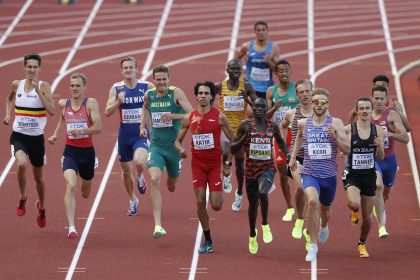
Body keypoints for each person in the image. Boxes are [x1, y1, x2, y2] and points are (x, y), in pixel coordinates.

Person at [175, 81, 235, 254]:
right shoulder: (189, 118)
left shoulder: (220, 116)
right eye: (200, 93)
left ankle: (220, 184)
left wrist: (228, 164)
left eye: (206, 93)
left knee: (216, 205)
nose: (203, 96)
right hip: (198, 165)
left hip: (215, 164)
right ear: (196, 96)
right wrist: (181, 150)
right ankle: (208, 240)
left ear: (211, 96)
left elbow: (234, 141)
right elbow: (177, 141)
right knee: (200, 200)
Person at [289, 88, 347, 262]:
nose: (319, 105)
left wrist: (335, 136)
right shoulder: (303, 123)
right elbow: (298, 138)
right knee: (312, 202)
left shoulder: (336, 123)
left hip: (328, 176)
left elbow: (347, 149)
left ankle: (324, 225)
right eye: (316, 102)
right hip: (309, 173)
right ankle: (313, 245)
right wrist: (292, 158)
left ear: (327, 104)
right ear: (312, 103)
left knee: (326, 210)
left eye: (322, 102)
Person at [140, 65, 193, 238]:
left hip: (174, 147)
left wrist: (173, 116)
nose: (161, 82)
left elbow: (192, 114)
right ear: (153, 81)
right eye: (158, 79)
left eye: (164, 79)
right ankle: (158, 226)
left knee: (171, 185)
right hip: (156, 146)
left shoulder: (176, 93)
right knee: (155, 179)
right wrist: (142, 126)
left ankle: (172, 176)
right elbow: (145, 108)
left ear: (168, 79)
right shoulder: (149, 95)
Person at [3, 53, 55, 228]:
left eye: (35, 67)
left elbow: (52, 111)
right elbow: (9, 98)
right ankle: (23, 197)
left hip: (36, 139)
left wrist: (39, 92)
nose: (32, 70)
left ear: (39, 69)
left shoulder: (44, 86)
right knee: (22, 164)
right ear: (24, 67)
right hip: (19, 135)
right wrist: (8, 114)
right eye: (29, 66)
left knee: (38, 177)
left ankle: (42, 207)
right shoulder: (16, 85)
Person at [231, 97, 288, 254]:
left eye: (262, 106)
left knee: (263, 192)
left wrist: (288, 154)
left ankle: (264, 223)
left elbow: (281, 142)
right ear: (252, 108)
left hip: (267, 168)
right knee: (252, 205)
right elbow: (233, 148)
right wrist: (244, 137)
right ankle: (252, 234)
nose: (259, 109)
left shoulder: (272, 126)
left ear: (266, 109)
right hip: (250, 171)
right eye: (256, 106)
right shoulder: (245, 125)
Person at [48, 73, 102, 239]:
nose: (74, 88)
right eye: (72, 86)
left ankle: (91, 170)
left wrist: (83, 131)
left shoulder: (90, 103)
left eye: (78, 86)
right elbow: (62, 119)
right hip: (70, 151)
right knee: (71, 185)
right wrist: (56, 135)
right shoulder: (65, 104)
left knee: (85, 192)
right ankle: (71, 226)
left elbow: (98, 127)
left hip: (87, 153)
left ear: (84, 87)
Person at [105, 56, 154, 216]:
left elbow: (156, 107)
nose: (128, 70)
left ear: (136, 68)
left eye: (130, 67)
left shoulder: (147, 86)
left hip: (141, 133)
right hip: (124, 135)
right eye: (125, 68)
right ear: (121, 70)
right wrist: (118, 102)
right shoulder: (116, 88)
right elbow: (107, 112)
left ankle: (140, 176)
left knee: (140, 161)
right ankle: (133, 200)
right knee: (126, 171)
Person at [343, 97, 384, 257]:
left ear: (371, 111)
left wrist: (379, 145)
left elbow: (380, 157)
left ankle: (362, 243)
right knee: (354, 203)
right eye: (362, 108)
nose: (365, 111)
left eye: (368, 108)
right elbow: (344, 149)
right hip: (352, 174)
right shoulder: (349, 129)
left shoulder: (377, 130)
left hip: (369, 176)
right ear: (357, 111)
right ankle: (353, 211)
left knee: (367, 217)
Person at [215, 58, 256, 212]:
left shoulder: (247, 86)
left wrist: (247, 99)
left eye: (239, 70)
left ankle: (239, 192)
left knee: (240, 165)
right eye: (233, 70)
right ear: (227, 70)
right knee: (225, 152)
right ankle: (225, 170)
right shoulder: (220, 87)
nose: (236, 73)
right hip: (225, 128)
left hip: (241, 129)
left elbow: (260, 106)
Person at [370, 85, 409, 238]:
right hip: (374, 159)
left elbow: (406, 138)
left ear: (386, 99)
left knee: (386, 194)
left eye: (381, 98)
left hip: (390, 161)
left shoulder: (391, 115)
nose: (379, 101)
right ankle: (381, 226)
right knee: (377, 186)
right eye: (376, 98)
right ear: (371, 98)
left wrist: (389, 134)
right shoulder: (365, 115)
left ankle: (380, 207)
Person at [266, 59, 299, 221]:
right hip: (279, 138)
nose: (284, 73)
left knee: (301, 172)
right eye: (281, 71)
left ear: (290, 72)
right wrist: (274, 107)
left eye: (287, 70)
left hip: (296, 136)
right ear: (276, 73)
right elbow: (265, 116)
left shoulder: (298, 89)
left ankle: (306, 202)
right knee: (283, 174)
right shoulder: (271, 92)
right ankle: (289, 207)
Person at [280, 79, 313, 238]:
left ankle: (309, 226)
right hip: (297, 157)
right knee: (302, 188)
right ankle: (300, 219)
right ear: (297, 95)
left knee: (314, 198)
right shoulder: (292, 113)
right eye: (301, 92)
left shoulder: (320, 113)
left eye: (307, 91)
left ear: (312, 92)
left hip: (315, 159)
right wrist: (284, 149)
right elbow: (282, 126)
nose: (305, 94)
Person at [236, 20, 280, 99]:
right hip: (251, 87)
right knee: (251, 110)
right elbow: (237, 59)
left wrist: (269, 62)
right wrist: (242, 73)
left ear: (267, 31)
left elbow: (278, 70)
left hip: (267, 87)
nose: (261, 32)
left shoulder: (273, 47)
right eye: (258, 30)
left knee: (266, 110)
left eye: (263, 30)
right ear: (255, 32)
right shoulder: (247, 46)